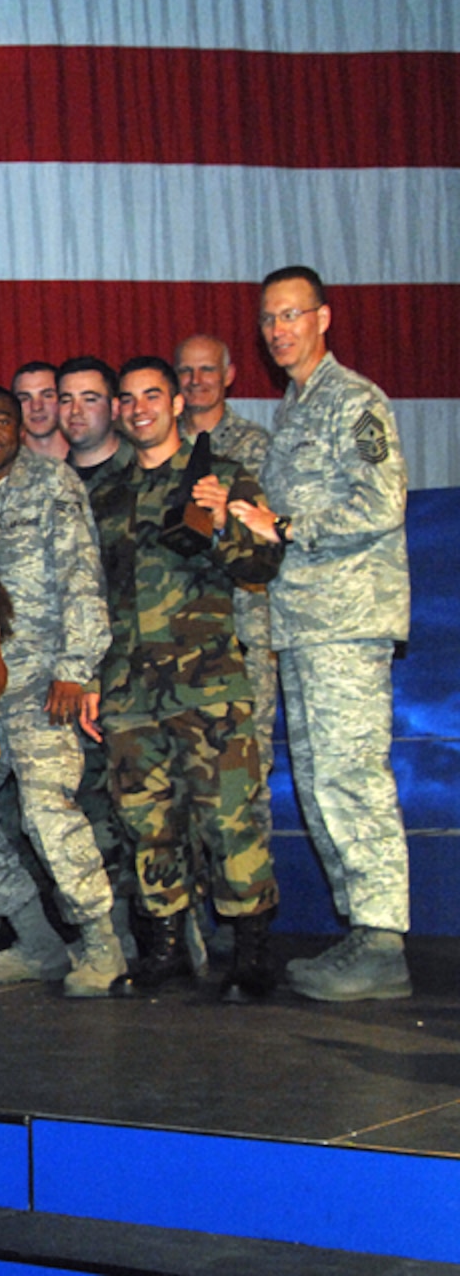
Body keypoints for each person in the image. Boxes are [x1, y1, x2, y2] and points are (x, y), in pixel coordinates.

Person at [228, 266, 412, 1002]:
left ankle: (382, 941)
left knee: (349, 776)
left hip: (346, 622)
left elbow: (382, 502)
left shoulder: (352, 400)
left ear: (324, 318)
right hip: (302, 624)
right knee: (319, 780)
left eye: (291, 316)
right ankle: (363, 933)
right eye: (269, 319)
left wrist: (290, 526)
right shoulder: (294, 410)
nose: (278, 331)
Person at [92, 356, 282, 1002]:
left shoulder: (221, 476)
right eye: (128, 398)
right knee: (145, 822)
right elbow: (93, 596)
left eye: (153, 395)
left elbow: (262, 563)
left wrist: (227, 517)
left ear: (177, 403)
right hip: (129, 689)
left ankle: (251, 953)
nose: (139, 407)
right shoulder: (106, 493)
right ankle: (166, 949)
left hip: (208, 684)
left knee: (228, 819)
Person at [0, 387, 122, 996]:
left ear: (20, 427)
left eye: (1, 420)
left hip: (45, 686)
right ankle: (36, 942)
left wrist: (76, 666)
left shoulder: (52, 484)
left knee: (47, 814)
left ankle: (102, 945)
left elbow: (81, 578)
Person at [175, 333, 278, 873]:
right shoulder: (158, 447)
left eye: (207, 370)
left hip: (244, 635)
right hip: (179, 643)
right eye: (186, 372)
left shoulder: (259, 448)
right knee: (183, 786)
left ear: (229, 374)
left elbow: (270, 544)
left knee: (245, 781)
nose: (196, 382)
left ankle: (251, 914)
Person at [12, 361, 69, 461]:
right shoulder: (4, 470)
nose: (36, 407)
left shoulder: (91, 463)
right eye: (25, 398)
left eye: (47, 395)